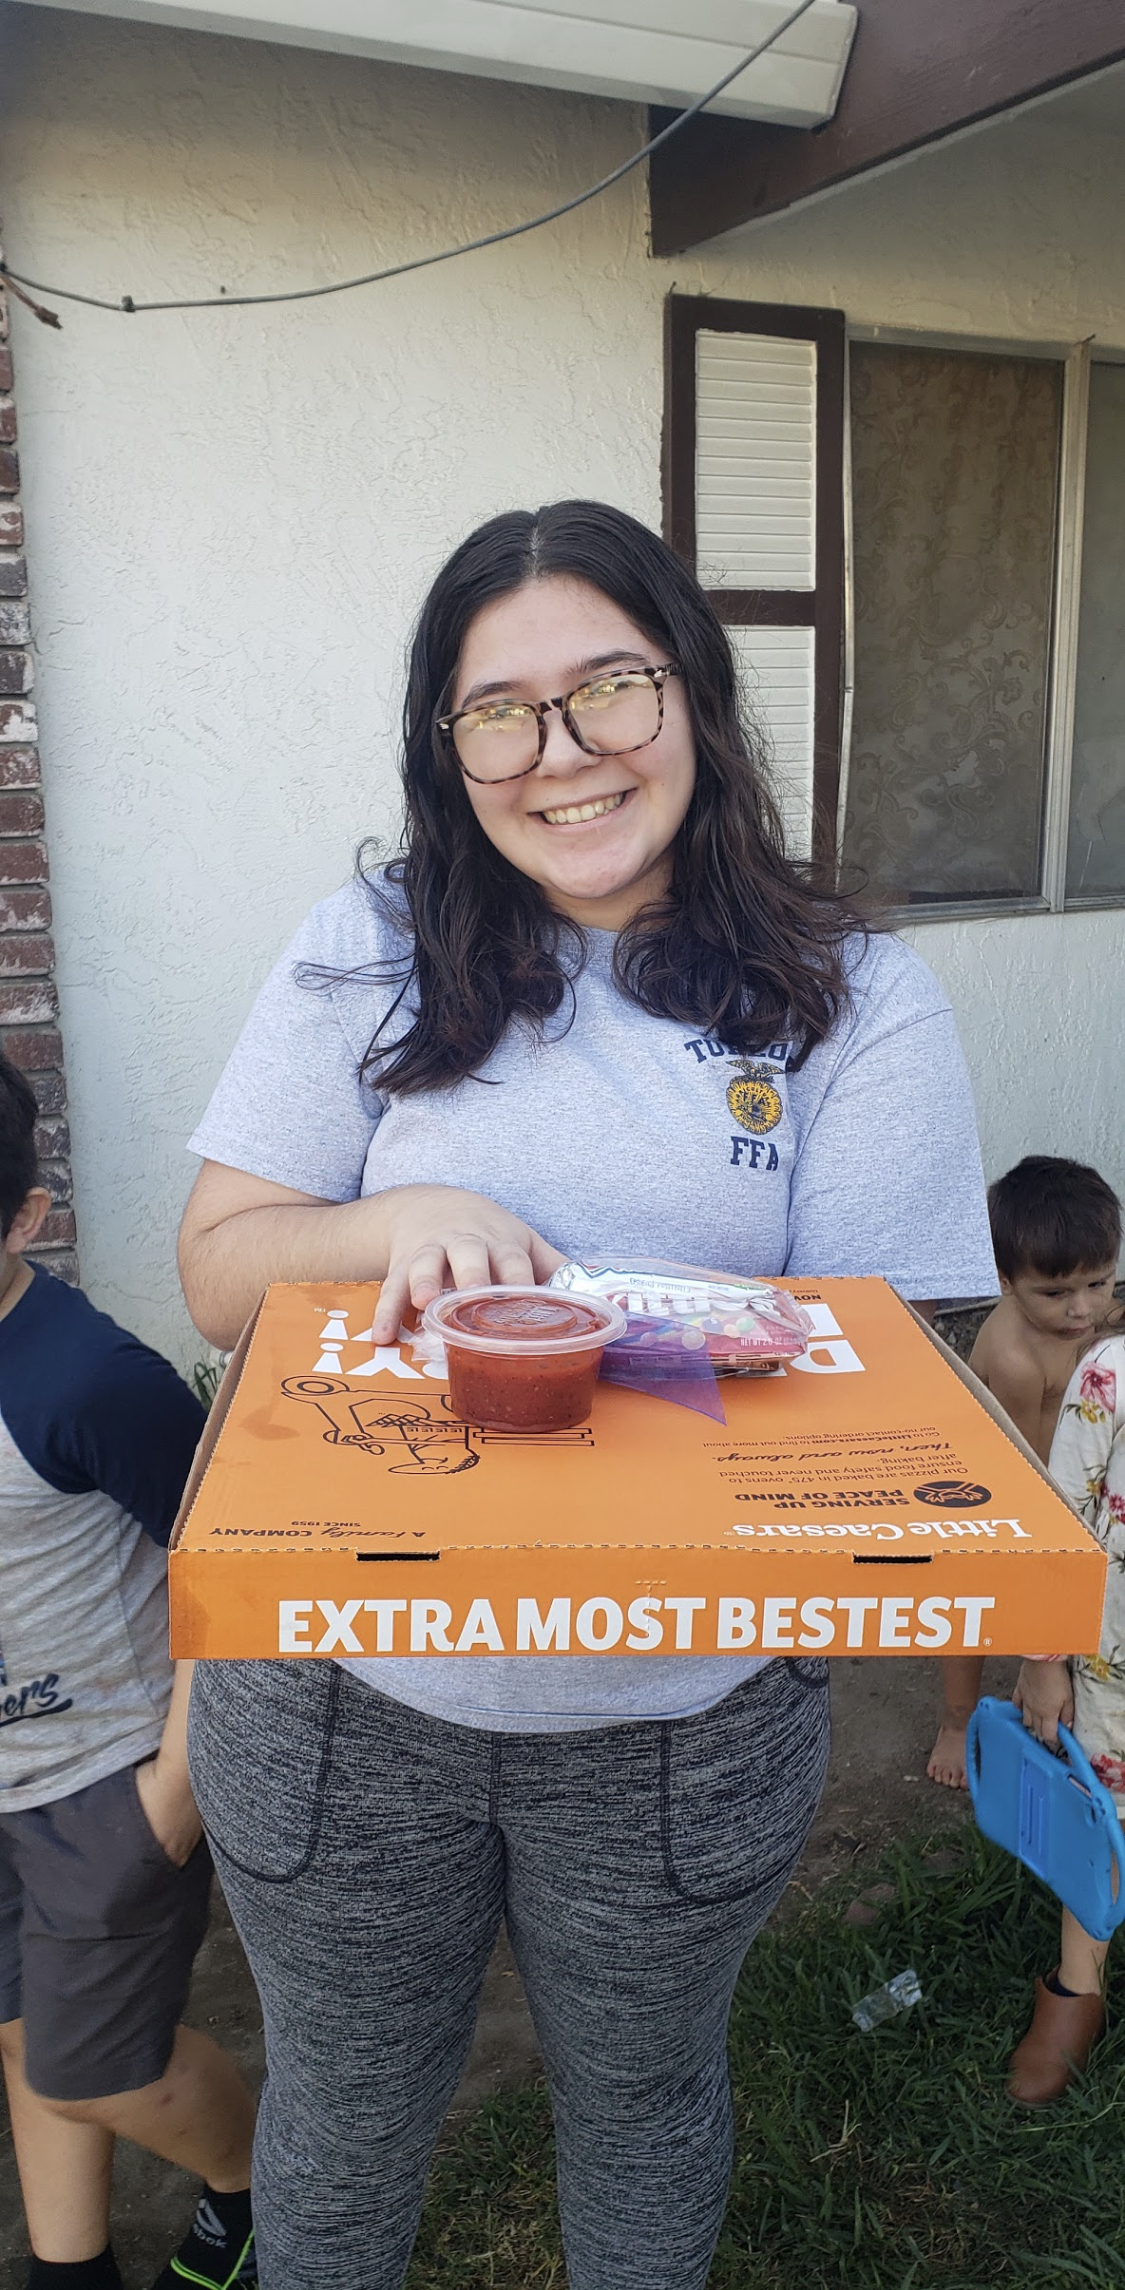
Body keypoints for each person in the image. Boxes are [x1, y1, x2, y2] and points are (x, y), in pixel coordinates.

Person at [178, 499, 997, 2290]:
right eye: (499, 711)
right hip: (340, 1691)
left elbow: (883, 1383)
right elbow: (221, 1263)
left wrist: (623, 1329)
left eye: (610, 688)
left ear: (691, 692)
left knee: (641, 2108)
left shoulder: (852, 999)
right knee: (344, 2112)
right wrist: (392, 1221)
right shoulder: (372, 938)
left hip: (678, 1712)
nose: (562, 755)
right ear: (445, 745)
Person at [0, 1053, 257, 2290]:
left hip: (99, 1779)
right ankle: (69, 2270)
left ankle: (261, 2194)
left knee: (103, 2067)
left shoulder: (90, 1382)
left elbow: (235, 1556)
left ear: (26, 1220)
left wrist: (175, 1787)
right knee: (22, 2035)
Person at [927, 1157, 1120, 1791]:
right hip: (998, 1495)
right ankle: (957, 1721)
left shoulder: (1093, 1322)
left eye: (1099, 1283)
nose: (1082, 1310)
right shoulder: (1015, 1357)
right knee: (970, 1609)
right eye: (1057, 1293)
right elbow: (1021, 1464)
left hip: (1062, 1490)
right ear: (1005, 1281)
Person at [1007, 1327, 1125, 2102]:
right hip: (1110, 1664)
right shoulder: (1110, 1372)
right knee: (1104, 1816)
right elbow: (1059, 1513)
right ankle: (1077, 1989)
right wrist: (1042, 1655)